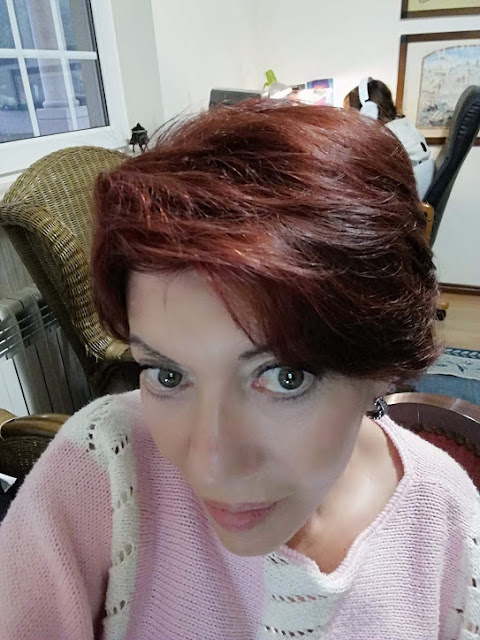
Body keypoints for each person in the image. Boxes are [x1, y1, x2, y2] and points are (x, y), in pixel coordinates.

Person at [0, 100, 478, 640]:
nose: (211, 467)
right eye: (167, 374)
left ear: (382, 367)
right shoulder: (98, 475)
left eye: (285, 377)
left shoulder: (447, 523)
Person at [344, 77, 435, 199]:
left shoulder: (386, 139)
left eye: (349, 114)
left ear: (368, 111)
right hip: (409, 195)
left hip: (400, 200)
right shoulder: (402, 126)